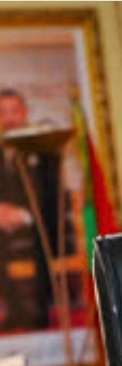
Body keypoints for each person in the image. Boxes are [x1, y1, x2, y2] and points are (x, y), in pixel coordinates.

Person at [0, 88, 63, 331]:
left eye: (14, 111)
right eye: (3, 113)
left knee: (36, 239)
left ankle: (37, 312)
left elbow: (51, 197)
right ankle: (10, 311)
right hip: (3, 226)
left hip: (39, 224)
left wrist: (25, 215)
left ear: (25, 113)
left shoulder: (44, 150)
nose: (9, 118)